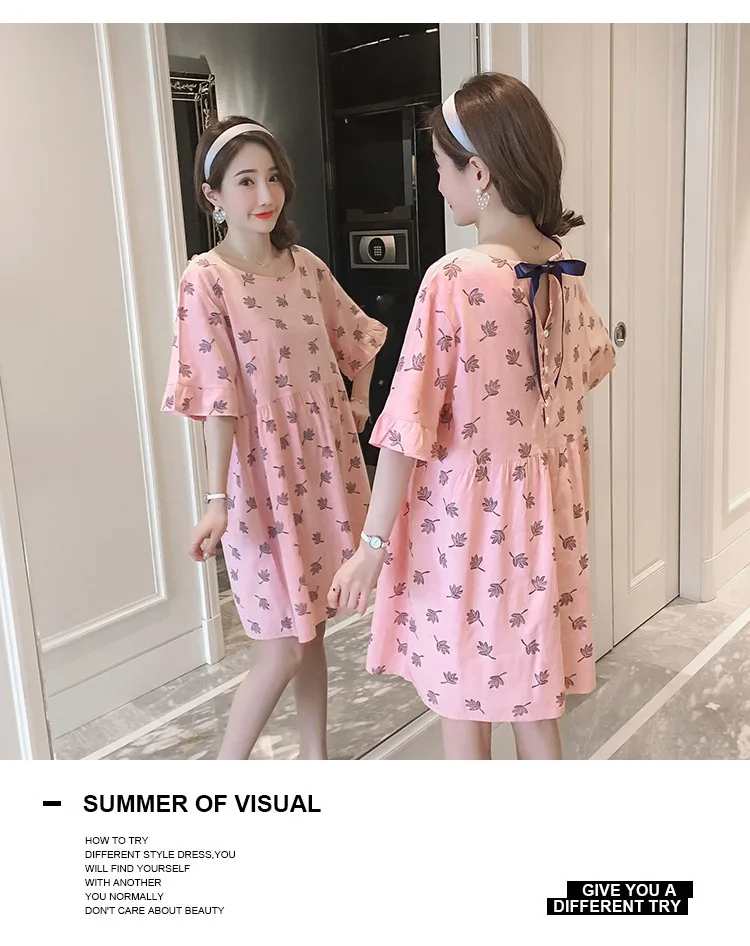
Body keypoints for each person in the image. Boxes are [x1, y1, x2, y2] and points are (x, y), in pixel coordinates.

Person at [328, 73, 616, 761]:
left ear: (479, 172)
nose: (436, 185)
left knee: (464, 709)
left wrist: (371, 548)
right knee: (532, 704)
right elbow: (589, 370)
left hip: (466, 533)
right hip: (544, 528)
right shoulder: (562, 273)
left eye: (439, 167)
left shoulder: (455, 278)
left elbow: (406, 428)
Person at [162, 116, 386, 759]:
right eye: (245, 182)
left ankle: (316, 761)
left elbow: (361, 335)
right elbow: (217, 397)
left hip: (322, 467)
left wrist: (358, 400)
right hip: (259, 481)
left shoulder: (305, 267)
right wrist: (216, 501)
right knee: (283, 644)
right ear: (212, 195)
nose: (266, 196)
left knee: (311, 627)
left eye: (273, 178)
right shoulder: (206, 279)